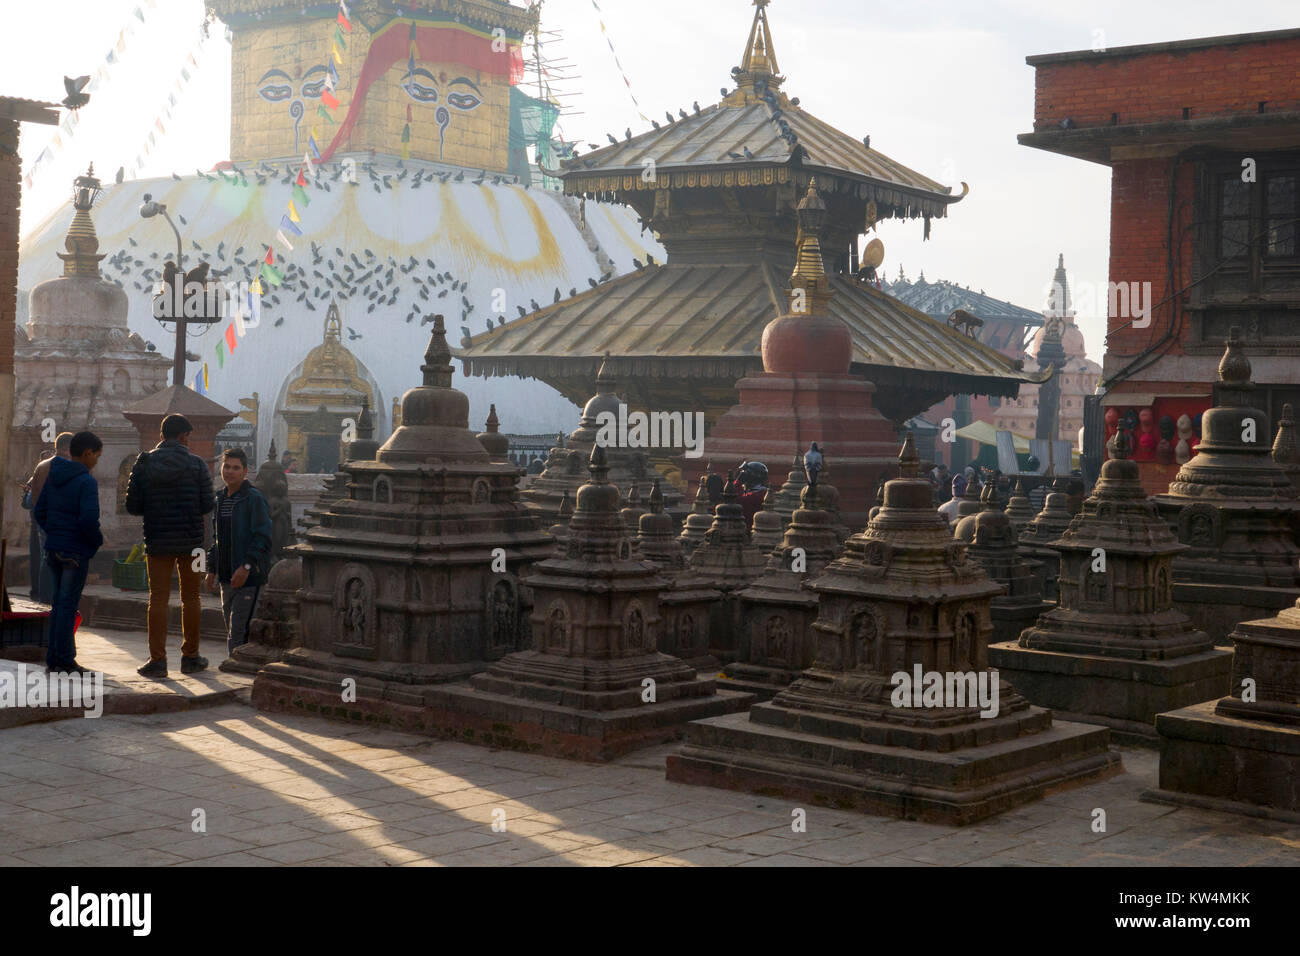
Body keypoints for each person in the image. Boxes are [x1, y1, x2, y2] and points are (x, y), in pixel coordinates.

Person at [126, 414, 215, 678]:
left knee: (158, 599)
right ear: (185, 436)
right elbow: (208, 505)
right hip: (192, 543)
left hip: (157, 541)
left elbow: (132, 506)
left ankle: (157, 660)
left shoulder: (144, 463)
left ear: (162, 434)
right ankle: (191, 657)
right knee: (192, 598)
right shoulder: (197, 465)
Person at [34, 432, 103, 674]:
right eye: (96, 455)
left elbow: (39, 511)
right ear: (86, 454)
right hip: (75, 550)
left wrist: (53, 534)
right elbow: (88, 519)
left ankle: (54, 657)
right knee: (67, 605)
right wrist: (95, 543)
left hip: (54, 548)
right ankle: (64, 659)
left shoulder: (54, 476)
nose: (96, 460)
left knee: (58, 605)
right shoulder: (86, 481)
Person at [205, 448, 272, 658]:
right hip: (227, 578)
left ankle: (238, 674)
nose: (230, 472)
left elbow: (263, 537)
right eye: (226, 466)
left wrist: (247, 566)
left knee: (239, 632)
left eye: (236, 468)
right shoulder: (221, 499)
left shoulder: (253, 499)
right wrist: (211, 569)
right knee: (232, 628)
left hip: (248, 578)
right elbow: (218, 539)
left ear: (245, 471)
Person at [22, 432, 72, 603]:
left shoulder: (41, 466)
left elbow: (30, 499)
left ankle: (44, 598)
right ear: (66, 450)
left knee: (46, 557)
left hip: (43, 519)